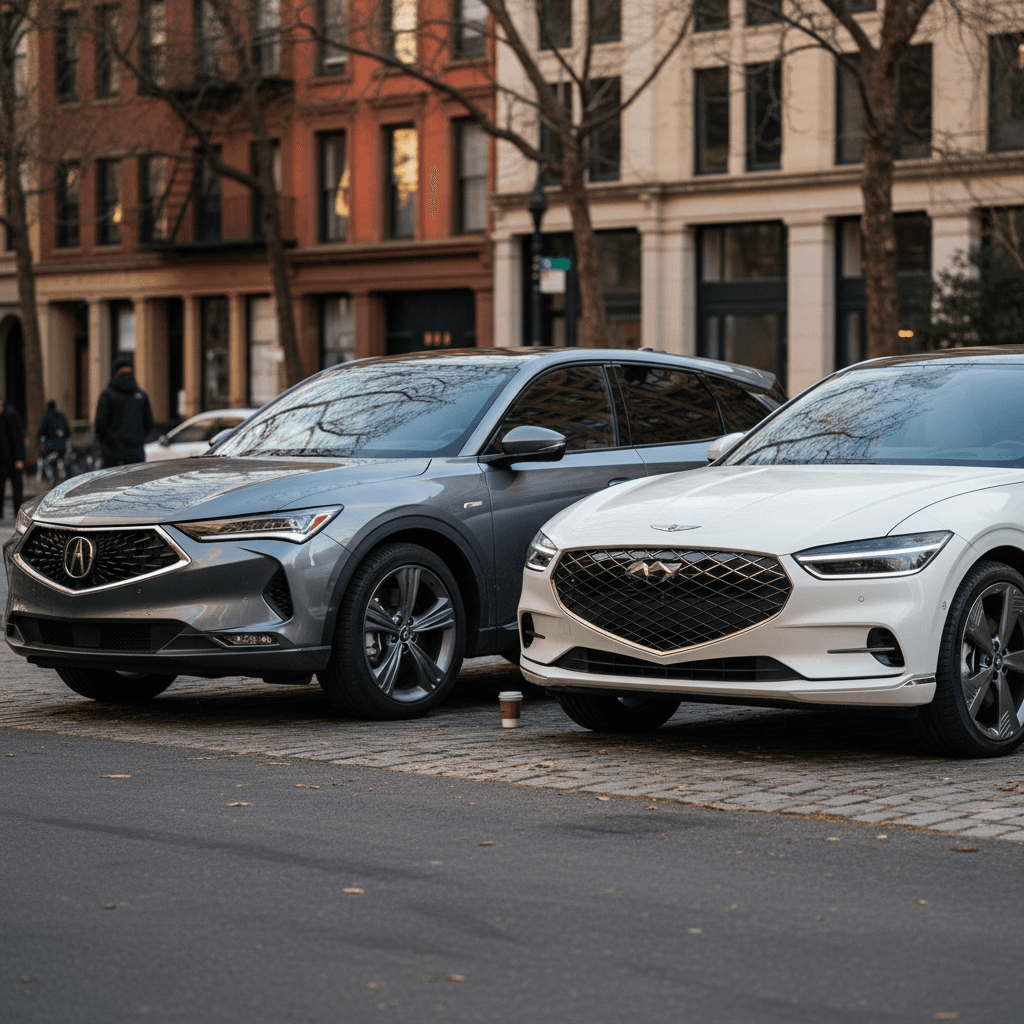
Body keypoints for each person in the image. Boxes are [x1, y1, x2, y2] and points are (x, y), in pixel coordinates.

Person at [94, 357, 154, 468]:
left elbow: (100, 424)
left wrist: (109, 441)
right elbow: (149, 423)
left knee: (112, 483)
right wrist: (138, 439)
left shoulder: (108, 394)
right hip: (136, 451)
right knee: (136, 481)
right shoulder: (141, 395)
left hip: (113, 452)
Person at [0, 396, 26, 520]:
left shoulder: (12, 414)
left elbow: (18, 438)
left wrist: (20, 458)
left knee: (17, 488)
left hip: (14, 459)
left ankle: (18, 512)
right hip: (2, 460)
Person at [37, 399, 71, 486]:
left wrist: (40, 443)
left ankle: (54, 483)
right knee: (64, 463)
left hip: (50, 445)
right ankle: (67, 482)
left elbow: (41, 431)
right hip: (61, 445)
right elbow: (68, 431)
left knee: (52, 465)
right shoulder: (61, 416)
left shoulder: (45, 417)